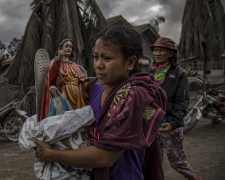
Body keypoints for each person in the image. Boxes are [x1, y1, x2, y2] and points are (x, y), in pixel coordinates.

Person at [34, 26, 167, 180]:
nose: (98, 65)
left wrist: (52, 155)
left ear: (130, 62)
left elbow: (106, 156)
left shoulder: (134, 97)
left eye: (107, 58)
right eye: (96, 57)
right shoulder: (95, 90)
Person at [149, 37, 202, 180]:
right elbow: (148, 99)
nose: (157, 53)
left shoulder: (179, 74)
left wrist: (174, 123)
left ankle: (193, 177)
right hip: (152, 123)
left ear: (171, 54)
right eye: (155, 50)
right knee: (153, 161)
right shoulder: (151, 72)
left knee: (177, 160)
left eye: (161, 50)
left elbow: (182, 101)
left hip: (169, 122)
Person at [40, 39, 88, 121]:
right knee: (65, 119)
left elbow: (82, 81)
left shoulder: (75, 66)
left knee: (77, 120)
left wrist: (89, 82)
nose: (69, 48)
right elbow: (50, 77)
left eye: (70, 47)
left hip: (78, 96)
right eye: (66, 46)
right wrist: (57, 59)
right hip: (64, 93)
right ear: (61, 49)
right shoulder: (56, 63)